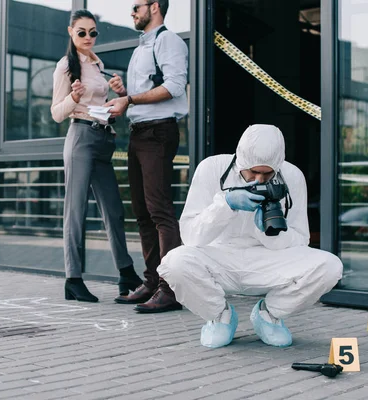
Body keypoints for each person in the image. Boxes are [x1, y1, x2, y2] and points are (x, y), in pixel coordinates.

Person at [157, 124, 344, 348]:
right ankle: (220, 316)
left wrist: (268, 232)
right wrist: (225, 205)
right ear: (240, 161)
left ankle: (269, 315)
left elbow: (300, 240)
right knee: (175, 263)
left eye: (267, 174)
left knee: (330, 266)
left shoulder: (292, 175)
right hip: (219, 256)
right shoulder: (211, 168)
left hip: (267, 259)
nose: (259, 179)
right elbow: (191, 236)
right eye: (253, 172)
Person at [51, 10, 143, 303]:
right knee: (76, 211)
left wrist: (120, 92)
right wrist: (74, 98)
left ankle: (126, 273)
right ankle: (73, 279)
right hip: (80, 138)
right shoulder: (67, 65)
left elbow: (102, 104)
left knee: (114, 211)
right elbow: (56, 113)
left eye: (93, 32)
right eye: (82, 32)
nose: (88, 37)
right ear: (71, 32)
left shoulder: (96, 63)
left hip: (103, 139)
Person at [103, 0, 188, 313]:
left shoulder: (170, 42)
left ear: (155, 6)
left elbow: (175, 87)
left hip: (158, 134)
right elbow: (144, 95)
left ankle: (172, 288)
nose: (131, 11)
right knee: (141, 212)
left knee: (160, 211)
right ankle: (153, 281)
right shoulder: (143, 48)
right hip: (139, 133)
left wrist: (129, 98)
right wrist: (124, 91)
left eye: (136, 5)